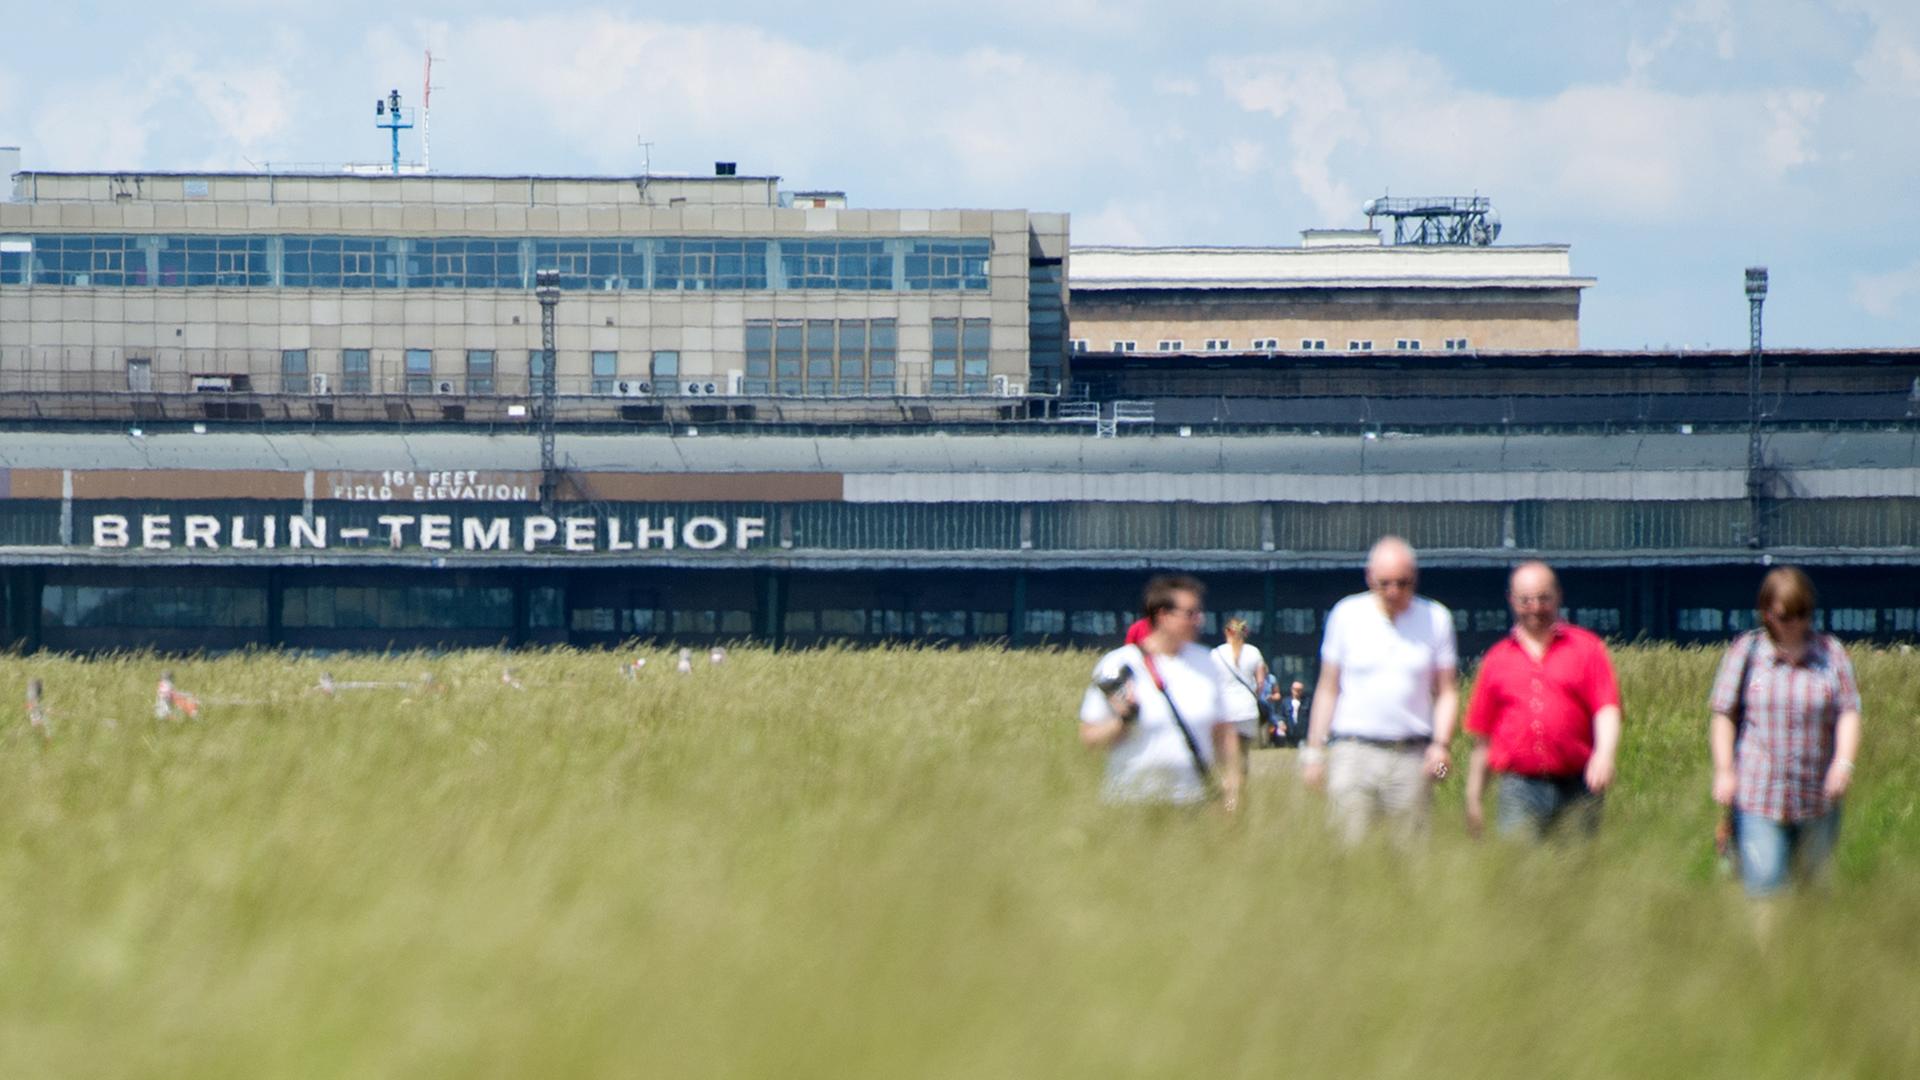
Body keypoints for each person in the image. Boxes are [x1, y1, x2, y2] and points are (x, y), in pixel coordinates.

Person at [1709, 567, 1862, 900]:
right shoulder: (1746, 653)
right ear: (1767, 614)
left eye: (1802, 614)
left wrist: (1843, 763)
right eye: (1784, 616)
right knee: (1765, 887)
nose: (1794, 623)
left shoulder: (1831, 653)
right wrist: (1724, 771)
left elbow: (1848, 711)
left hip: (1817, 796)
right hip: (1758, 795)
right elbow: (1723, 714)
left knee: (1814, 890)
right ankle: (1768, 952)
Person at [1300, 537, 1458, 845]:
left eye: (1403, 583)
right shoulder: (1346, 615)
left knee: (1412, 856)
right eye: (1385, 583)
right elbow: (1328, 688)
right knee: (1349, 852)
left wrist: (1441, 745)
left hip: (1411, 755)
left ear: (1415, 579)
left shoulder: (1436, 618)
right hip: (1353, 752)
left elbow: (1447, 691)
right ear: (1369, 577)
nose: (1394, 592)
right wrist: (1314, 753)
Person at [1463, 562, 1622, 841]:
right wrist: (1474, 796)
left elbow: (1607, 708)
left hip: (1578, 786)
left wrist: (1605, 755)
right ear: (1512, 601)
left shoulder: (1587, 648)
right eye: (1526, 600)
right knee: (1520, 876)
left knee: (1576, 874)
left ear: (1558, 596)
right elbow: (1483, 739)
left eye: (1543, 598)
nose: (1535, 607)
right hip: (1518, 788)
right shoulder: (1496, 660)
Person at [1080, 575, 1241, 810]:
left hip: (1192, 802)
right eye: (1190, 613)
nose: (1199, 620)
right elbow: (1089, 739)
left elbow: (1224, 733)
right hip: (1131, 802)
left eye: (1199, 612)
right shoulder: (1119, 664)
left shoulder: (1207, 663)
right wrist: (1123, 720)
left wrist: (1232, 792)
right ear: (1163, 615)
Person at [1211, 618, 1269, 767]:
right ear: (1245, 633)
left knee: (1224, 755)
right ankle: (1240, 786)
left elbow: (1211, 684)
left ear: (1227, 632)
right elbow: (1261, 683)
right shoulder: (1254, 652)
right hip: (1247, 710)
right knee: (1243, 754)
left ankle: (1226, 785)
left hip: (1224, 711)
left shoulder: (1216, 653)